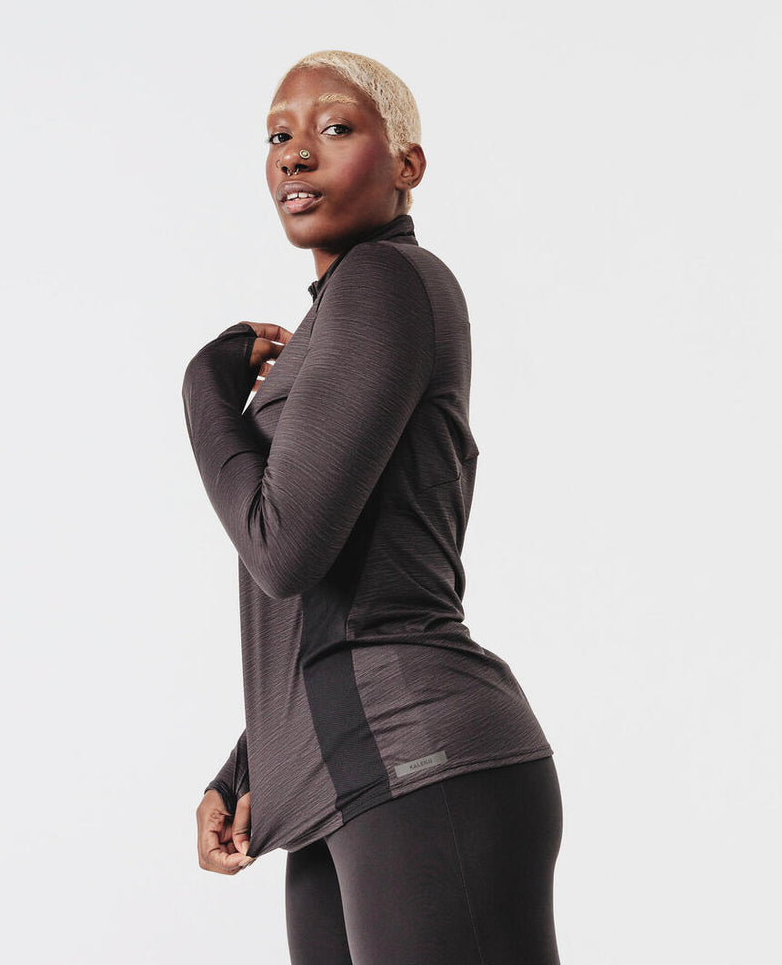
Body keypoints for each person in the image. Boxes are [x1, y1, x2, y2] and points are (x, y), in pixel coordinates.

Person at [181, 50, 563, 965]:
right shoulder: (341, 318)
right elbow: (351, 591)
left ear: (407, 164)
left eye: (334, 128)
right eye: (278, 135)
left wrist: (202, 393)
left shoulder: (385, 280)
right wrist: (249, 763)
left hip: (422, 760)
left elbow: (284, 551)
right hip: (342, 781)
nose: (295, 154)